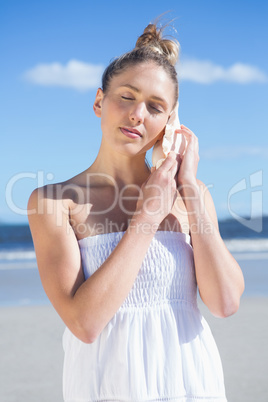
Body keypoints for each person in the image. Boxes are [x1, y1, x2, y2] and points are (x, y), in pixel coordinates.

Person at [28, 20, 245, 402]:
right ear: (99, 102)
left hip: (191, 385)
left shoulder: (192, 196)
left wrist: (190, 192)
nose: (137, 115)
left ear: (170, 124)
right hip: (107, 388)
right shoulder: (53, 202)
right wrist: (145, 219)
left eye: (156, 107)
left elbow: (225, 303)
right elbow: (85, 323)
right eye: (126, 97)